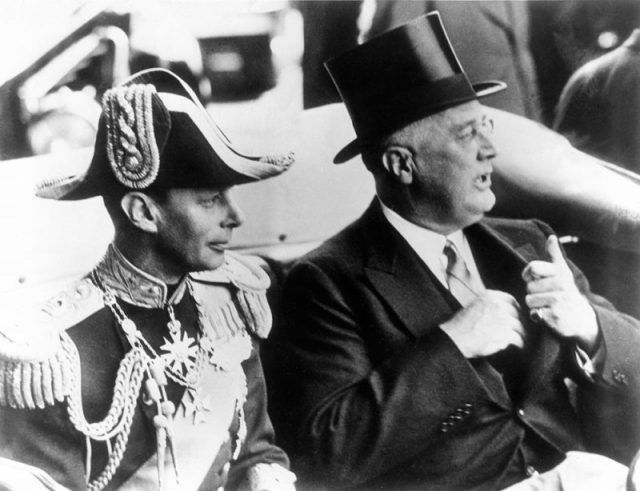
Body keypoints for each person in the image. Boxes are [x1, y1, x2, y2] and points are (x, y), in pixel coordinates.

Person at [264, 13, 640, 490]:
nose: (490, 150)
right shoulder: (326, 281)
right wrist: (453, 346)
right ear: (402, 164)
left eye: (487, 126)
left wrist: (589, 326)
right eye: (466, 134)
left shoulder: (526, 241)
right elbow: (325, 456)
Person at [0, 69, 296, 491]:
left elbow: (256, 451)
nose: (235, 216)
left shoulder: (227, 305)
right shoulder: (55, 352)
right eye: (211, 199)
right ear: (142, 212)